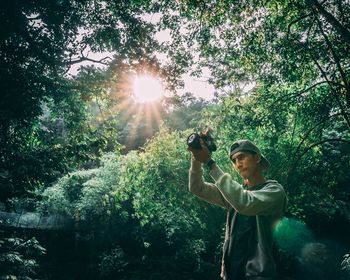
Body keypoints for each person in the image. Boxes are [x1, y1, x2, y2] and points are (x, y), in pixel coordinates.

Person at [188, 136, 287, 280]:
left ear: (257, 158)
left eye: (241, 157)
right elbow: (197, 188)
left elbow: (245, 203)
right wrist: (196, 156)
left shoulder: (275, 191)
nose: (238, 164)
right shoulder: (234, 195)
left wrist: (210, 163)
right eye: (234, 160)